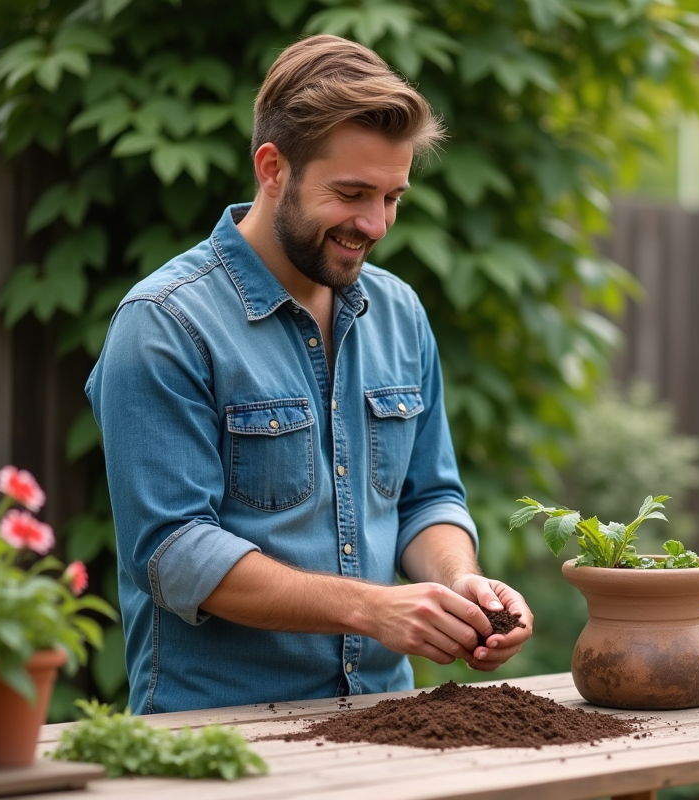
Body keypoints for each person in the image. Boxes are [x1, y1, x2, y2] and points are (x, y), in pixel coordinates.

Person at [85, 34, 533, 714]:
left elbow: (427, 499)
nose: (375, 223)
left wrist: (460, 586)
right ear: (272, 168)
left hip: (389, 725)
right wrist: (372, 609)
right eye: (352, 193)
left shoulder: (400, 314)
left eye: (392, 197)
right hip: (217, 736)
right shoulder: (163, 324)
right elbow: (174, 553)